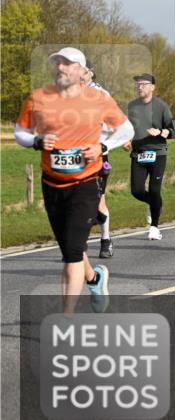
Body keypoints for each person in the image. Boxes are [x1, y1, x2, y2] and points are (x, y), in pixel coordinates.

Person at [15, 48, 134, 313]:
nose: (61, 67)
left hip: (86, 182)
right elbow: (20, 132)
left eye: (67, 64)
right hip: (52, 185)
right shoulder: (39, 97)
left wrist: (102, 147)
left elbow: (126, 129)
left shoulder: (98, 98)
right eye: (57, 63)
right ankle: (94, 278)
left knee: (70, 254)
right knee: (73, 247)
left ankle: (66, 319)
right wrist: (36, 141)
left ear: (81, 71)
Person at [123, 73, 175, 248]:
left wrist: (161, 132)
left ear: (152, 87)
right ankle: (153, 204)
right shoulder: (132, 106)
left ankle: (154, 227)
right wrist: (127, 141)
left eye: (144, 84)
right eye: (138, 84)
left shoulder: (162, 106)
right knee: (136, 190)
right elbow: (130, 129)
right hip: (138, 154)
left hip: (157, 153)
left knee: (155, 191)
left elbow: (173, 131)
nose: (140, 87)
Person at [82, 66, 115, 253]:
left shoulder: (101, 94)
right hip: (75, 153)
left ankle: (105, 239)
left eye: (84, 70)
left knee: (98, 198)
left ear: (91, 72)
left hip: (97, 152)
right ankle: (79, 242)